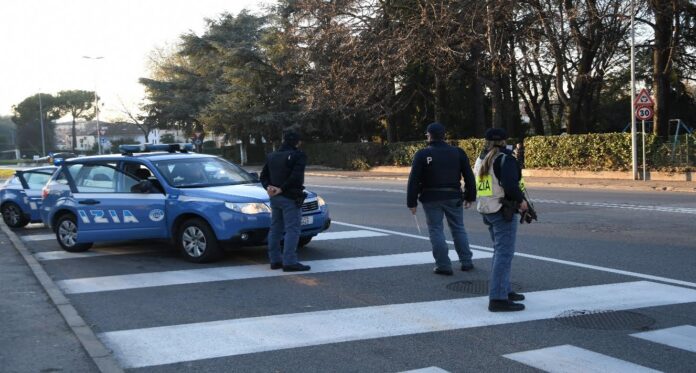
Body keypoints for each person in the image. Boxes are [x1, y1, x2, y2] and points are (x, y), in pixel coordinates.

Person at [407, 122, 477, 276]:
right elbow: (469, 176)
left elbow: (414, 179)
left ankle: (443, 264)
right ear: (444, 135)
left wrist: (411, 202)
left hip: (431, 197)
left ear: (429, 135)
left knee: (436, 229)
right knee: (458, 228)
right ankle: (466, 261)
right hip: (453, 195)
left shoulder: (422, 154)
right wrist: (470, 196)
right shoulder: (458, 152)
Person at [474, 128, 528, 312]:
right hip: (501, 211)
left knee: (499, 253)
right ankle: (498, 298)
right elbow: (511, 185)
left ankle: (505, 290)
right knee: (504, 255)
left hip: (487, 210)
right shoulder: (505, 159)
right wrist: (521, 202)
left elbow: (483, 188)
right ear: (505, 141)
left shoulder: (481, 159)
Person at [260, 130, 310, 272]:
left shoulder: (272, 156)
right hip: (290, 197)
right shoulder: (298, 155)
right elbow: (296, 177)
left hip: (274, 198)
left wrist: (269, 188)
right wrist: (281, 189)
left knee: (275, 228)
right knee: (292, 230)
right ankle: (289, 262)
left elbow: (263, 176)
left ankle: (275, 260)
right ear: (297, 142)